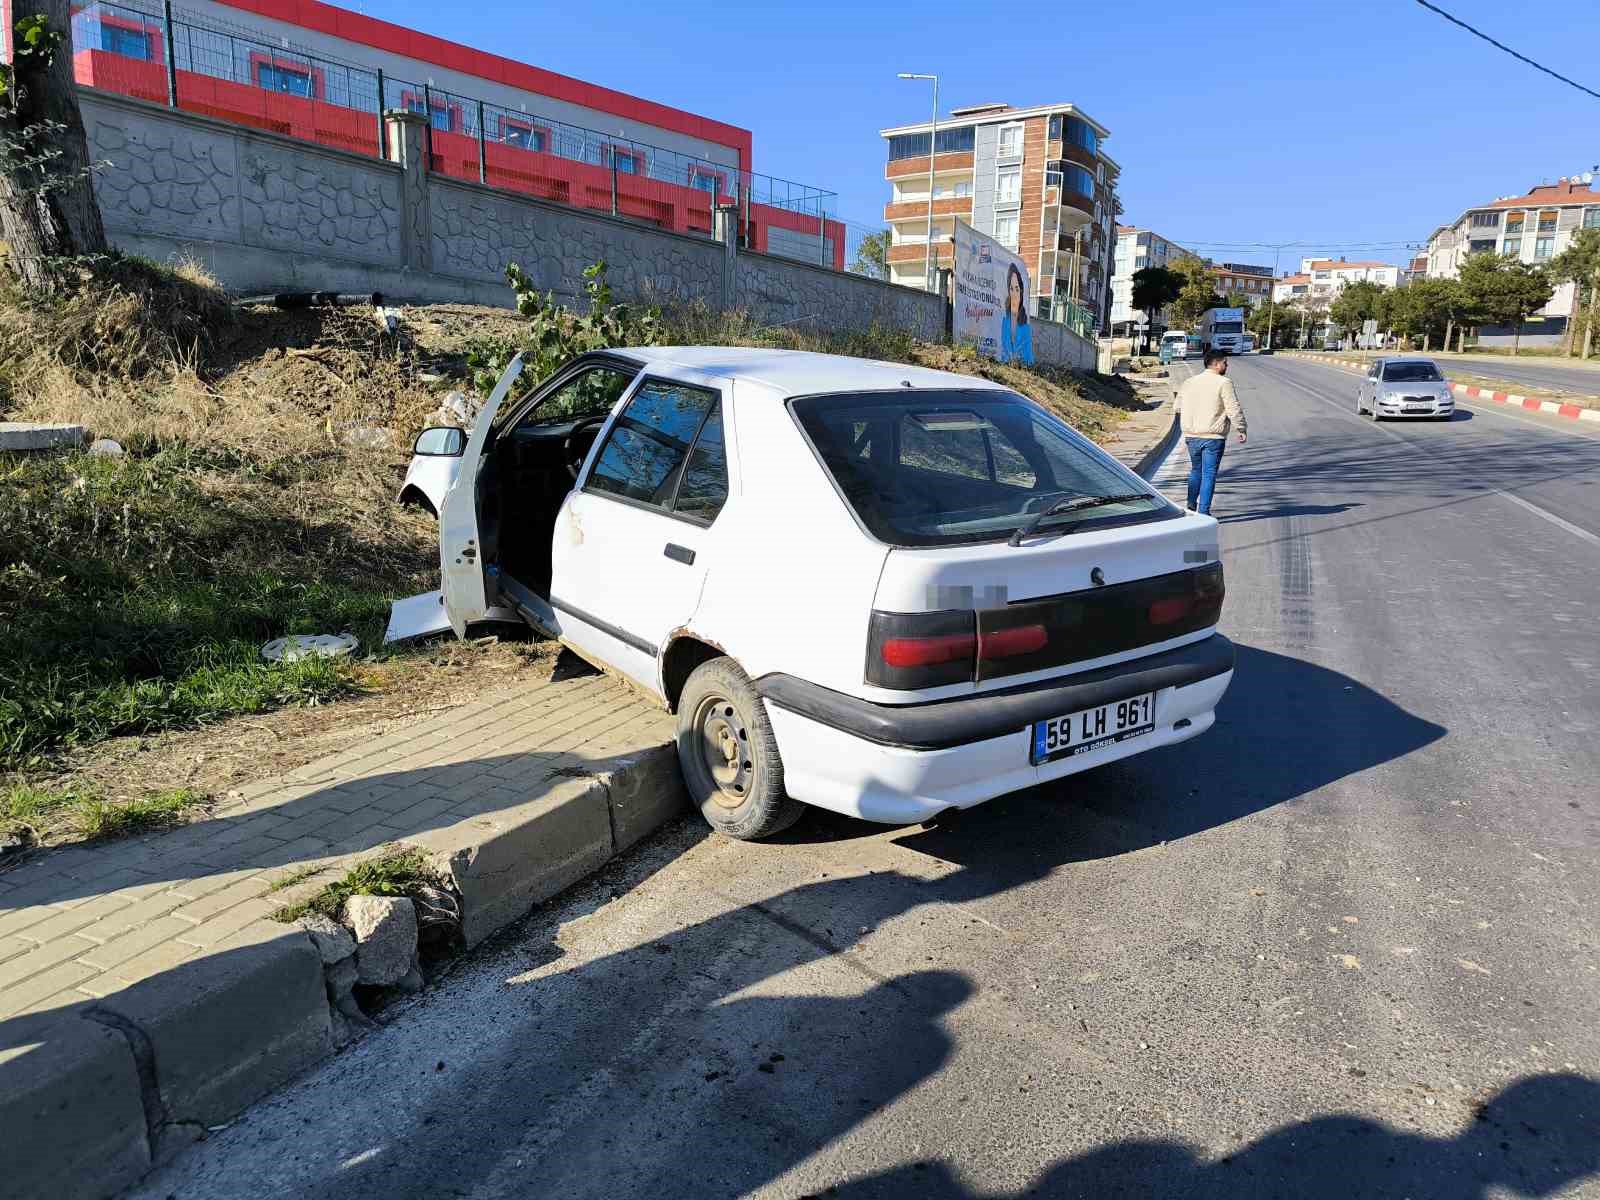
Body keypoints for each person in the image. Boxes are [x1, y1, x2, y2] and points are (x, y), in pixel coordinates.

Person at [1173, 348, 1246, 515]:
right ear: (1216, 364)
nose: (1226, 366)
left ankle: (1191, 505)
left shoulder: (1189, 382)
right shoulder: (1224, 382)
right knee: (1209, 474)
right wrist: (1241, 428)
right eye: (1225, 363)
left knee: (1195, 470)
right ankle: (1204, 512)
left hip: (1192, 435)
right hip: (1213, 436)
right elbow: (1233, 408)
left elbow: (1177, 407)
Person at [998, 263, 1034, 365]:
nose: (1014, 294)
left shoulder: (1025, 327)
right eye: (1011, 288)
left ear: (1021, 292)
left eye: (1017, 289)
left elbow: (1028, 357)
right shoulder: (1004, 321)